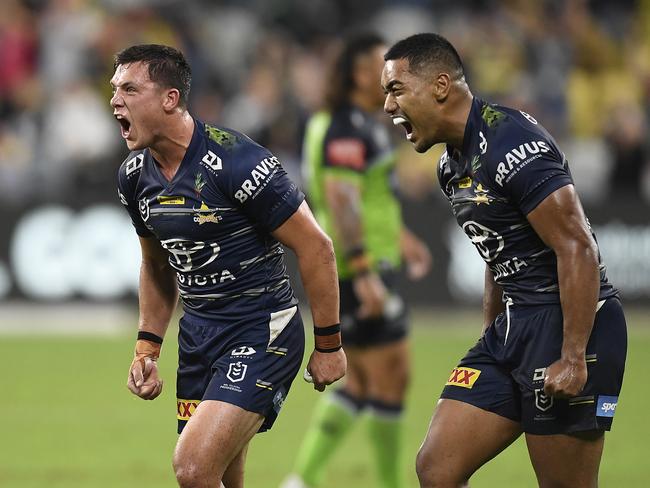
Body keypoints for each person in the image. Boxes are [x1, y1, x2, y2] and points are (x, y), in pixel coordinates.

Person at [381, 33, 627, 487]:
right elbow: (496, 252)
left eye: (396, 89)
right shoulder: (449, 165)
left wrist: (573, 356)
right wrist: (491, 333)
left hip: (569, 326)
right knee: (436, 468)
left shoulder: (512, 142)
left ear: (439, 85)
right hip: (512, 330)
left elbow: (576, 247)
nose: (388, 107)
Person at [111, 44, 346, 488]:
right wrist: (147, 348)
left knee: (194, 469)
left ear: (169, 99)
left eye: (129, 88)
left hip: (261, 330)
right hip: (198, 338)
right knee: (221, 477)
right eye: (114, 89)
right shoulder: (134, 176)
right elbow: (157, 266)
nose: (115, 100)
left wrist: (329, 344)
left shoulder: (237, 162)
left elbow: (316, 247)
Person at [281, 34, 431, 488]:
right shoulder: (347, 126)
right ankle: (389, 483)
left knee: (362, 384)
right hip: (358, 269)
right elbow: (340, 199)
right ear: (358, 73)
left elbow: (361, 194)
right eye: (381, 65)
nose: (391, 74)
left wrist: (399, 236)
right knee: (392, 378)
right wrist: (365, 270)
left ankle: (302, 479)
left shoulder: (345, 122)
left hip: (357, 263)